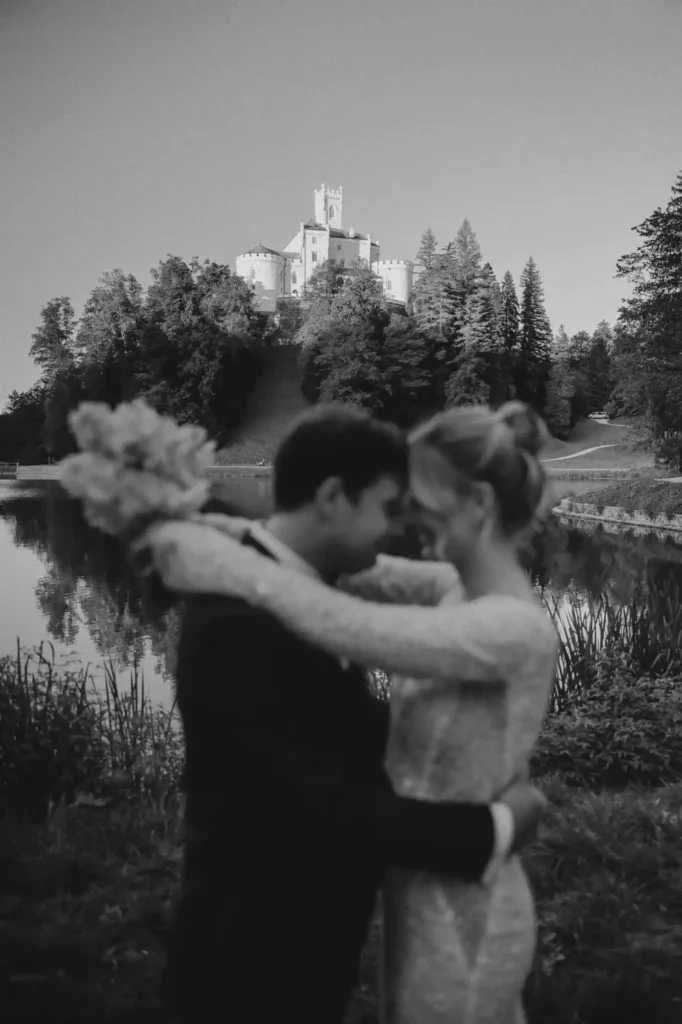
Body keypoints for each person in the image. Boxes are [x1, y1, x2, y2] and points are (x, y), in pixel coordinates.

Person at [155, 403, 550, 1024]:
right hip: (250, 958)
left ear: (474, 504)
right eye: (392, 507)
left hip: (427, 918)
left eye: (412, 504)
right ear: (334, 497)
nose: (401, 525)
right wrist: (496, 827)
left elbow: (351, 622)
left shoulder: (493, 619)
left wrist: (221, 547)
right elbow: (317, 801)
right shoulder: (235, 623)